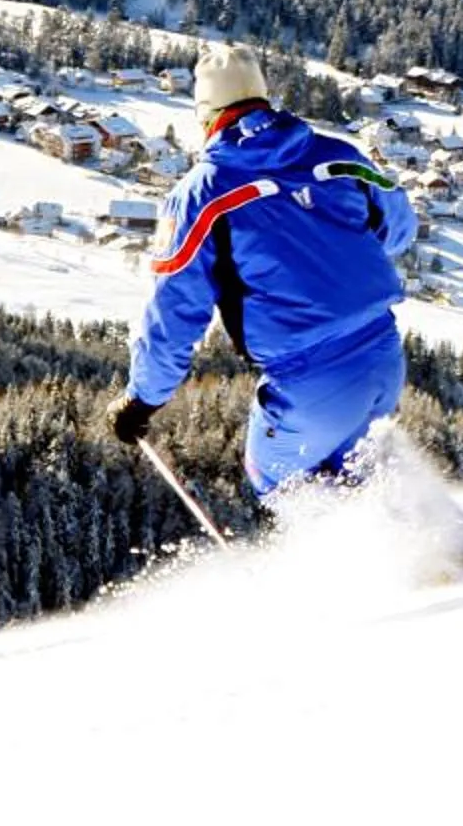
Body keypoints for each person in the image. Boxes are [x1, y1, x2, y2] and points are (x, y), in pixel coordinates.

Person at [108, 43, 428, 501]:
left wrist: (143, 399)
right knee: (357, 476)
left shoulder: (202, 195)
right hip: (383, 353)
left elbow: (176, 313)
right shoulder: (340, 156)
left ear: (206, 115)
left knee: (278, 480)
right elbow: (399, 229)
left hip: (307, 374)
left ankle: (371, 567)